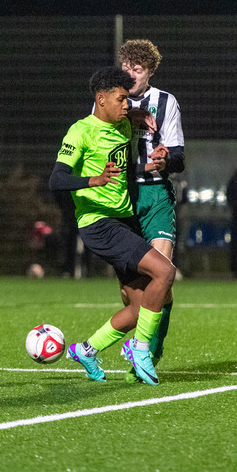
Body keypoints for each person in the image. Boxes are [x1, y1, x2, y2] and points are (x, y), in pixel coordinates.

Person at [50, 66, 176, 385]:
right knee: (165, 272)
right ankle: (141, 349)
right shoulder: (80, 132)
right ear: (100, 98)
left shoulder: (122, 125)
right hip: (98, 223)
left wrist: (148, 162)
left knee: (140, 307)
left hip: (124, 221)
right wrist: (95, 179)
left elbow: (126, 169)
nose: (127, 105)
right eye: (121, 99)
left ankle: (86, 350)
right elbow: (57, 179)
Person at [115, 39, 185, 382]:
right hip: (121, 198)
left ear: (150, 72)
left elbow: (180, 157)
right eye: (126, 67)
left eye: (137, 70)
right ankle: (146, 344)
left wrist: (166, 158)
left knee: (163, 273)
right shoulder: (110, 99)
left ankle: (148, 350)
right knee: (133, 294)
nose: (130, 75)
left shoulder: (165, 102)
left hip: (155, 194)